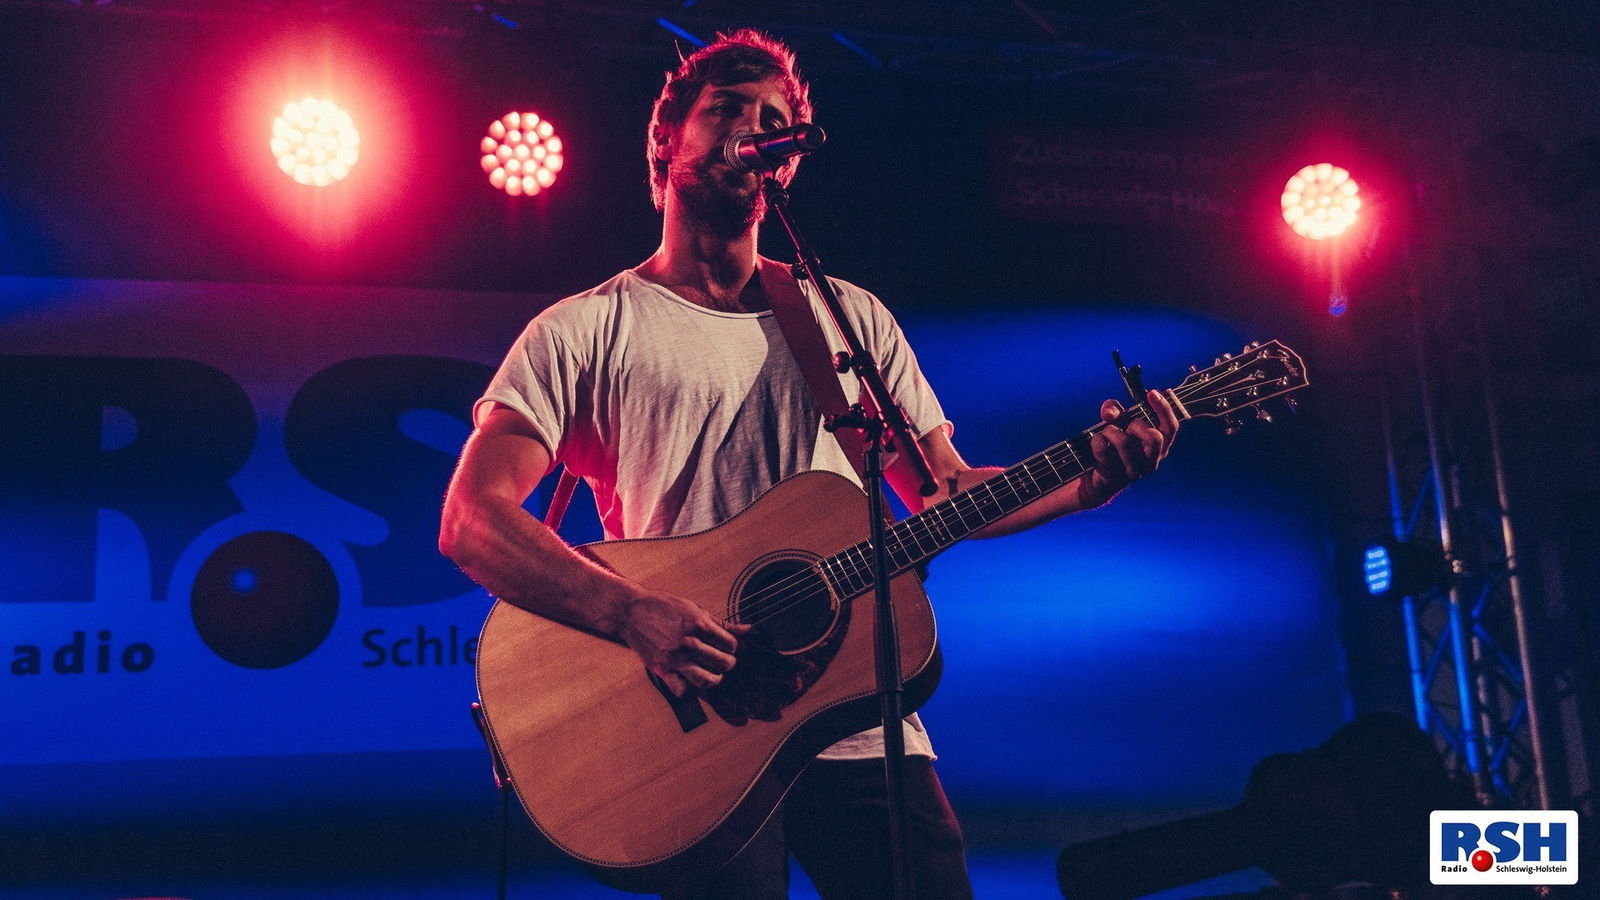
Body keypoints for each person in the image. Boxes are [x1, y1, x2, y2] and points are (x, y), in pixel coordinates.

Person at [438, 29, 1180, 900]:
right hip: (697, 735)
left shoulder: (844, 316)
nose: (756, 130)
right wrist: (635, 613)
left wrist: (1091, 481)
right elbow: (472, 521)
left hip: (861, 718)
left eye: (775, 121)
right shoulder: (585, 331)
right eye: (727, 112)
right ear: (665, 138)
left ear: (789, 165)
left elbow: (940, 490)